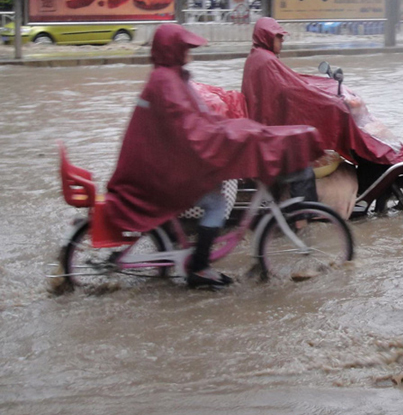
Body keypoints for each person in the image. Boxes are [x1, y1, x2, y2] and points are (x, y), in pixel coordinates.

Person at [104, 24, 324, 288]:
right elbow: (193, 133)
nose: (189, 52)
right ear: (173, 50)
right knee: (217, 203)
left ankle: (189, 257)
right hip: (162, 172)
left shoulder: (169, 78)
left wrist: (233, 128)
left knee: (214, 192)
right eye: (185, 47)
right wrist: (233, 137)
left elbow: (199, 120)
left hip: (160, 164)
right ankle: (199, 268)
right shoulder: (167, 83)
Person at [242, 17, 403, 218]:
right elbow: (292, 89)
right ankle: (306, 217)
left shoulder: (260, 57)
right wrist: (330, 102)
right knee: (346, 129)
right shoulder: (266, 61)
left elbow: (294, 82)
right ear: (267, 37)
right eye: (278, 37)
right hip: (273, 132)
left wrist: (325, 88)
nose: (282, 41)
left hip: (268, 127)